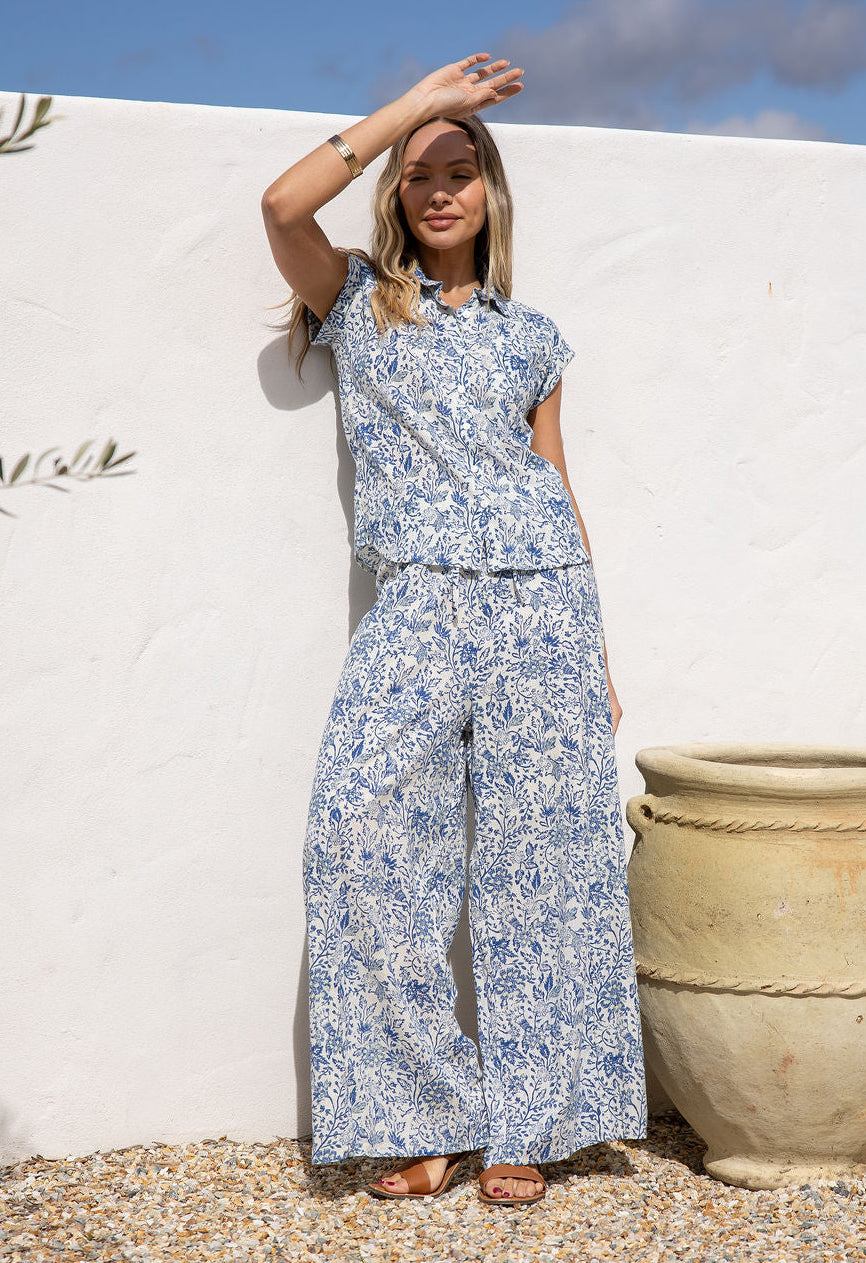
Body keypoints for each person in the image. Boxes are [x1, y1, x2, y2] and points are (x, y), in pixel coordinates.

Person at [261, 52, 647, 1208]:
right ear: (394, 188)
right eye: (419, 172)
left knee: (550, 870)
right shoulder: (355, 302)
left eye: (459, 169)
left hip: (540, 600)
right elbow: (281, 204)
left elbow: (554, 478)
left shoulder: (532, 336)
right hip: (417, 601)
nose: (439, 188)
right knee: (360, 843)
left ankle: (530, 1124)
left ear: (489, 194)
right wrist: (419, 107)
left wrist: (596, 645)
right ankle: (422, 1114)